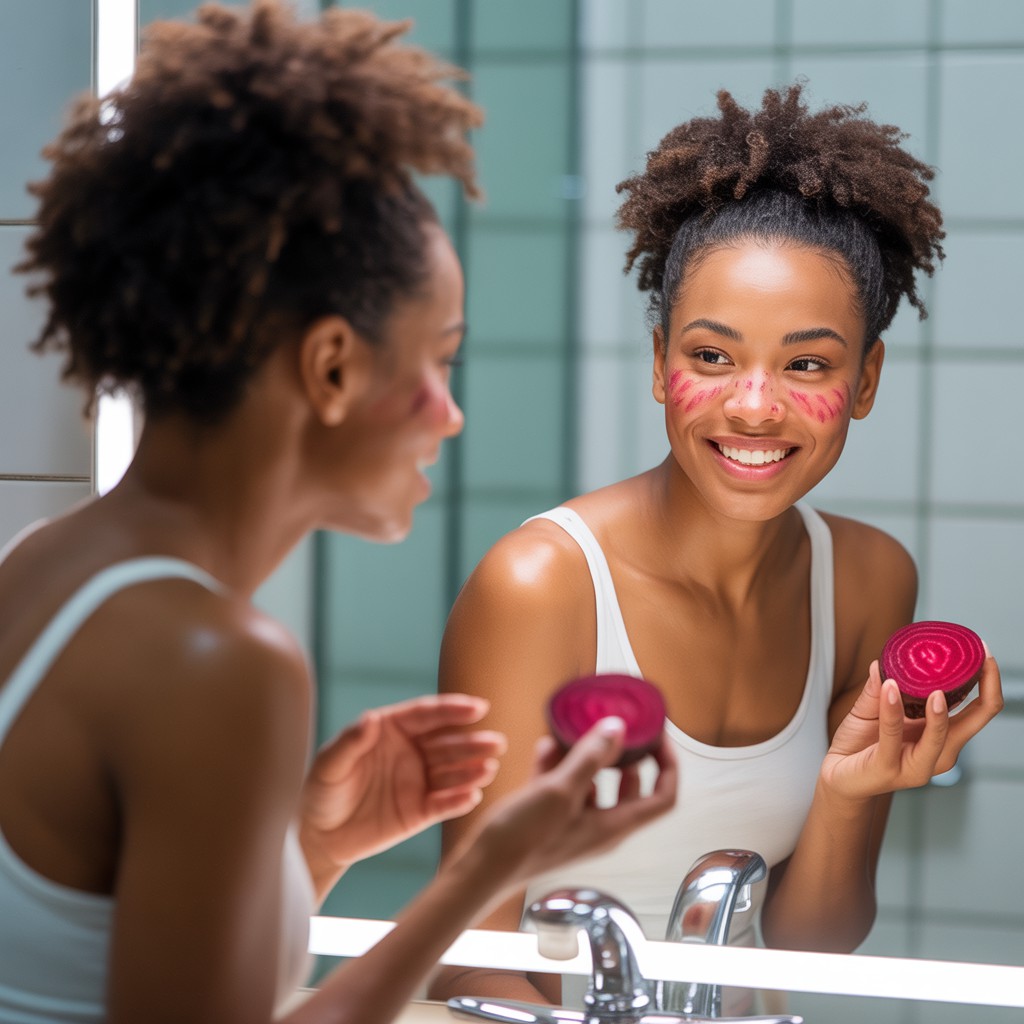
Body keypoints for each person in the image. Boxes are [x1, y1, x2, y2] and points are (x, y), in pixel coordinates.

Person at [0, 4, 678, 1023]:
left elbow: (82, 962)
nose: (450, 416)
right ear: (330, 366)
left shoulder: (41, 564)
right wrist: (482, 874)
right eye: (439, 360)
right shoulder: (216, 661)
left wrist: (314, 846)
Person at [427, 84, 1004, 1007]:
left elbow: (811, 943)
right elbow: (469, 956)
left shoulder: (865, 577)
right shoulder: (542, 584)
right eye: (712, 356)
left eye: (807, 364)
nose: (754, 405)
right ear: (661, 364)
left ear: (865, 380)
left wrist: (849, 795)